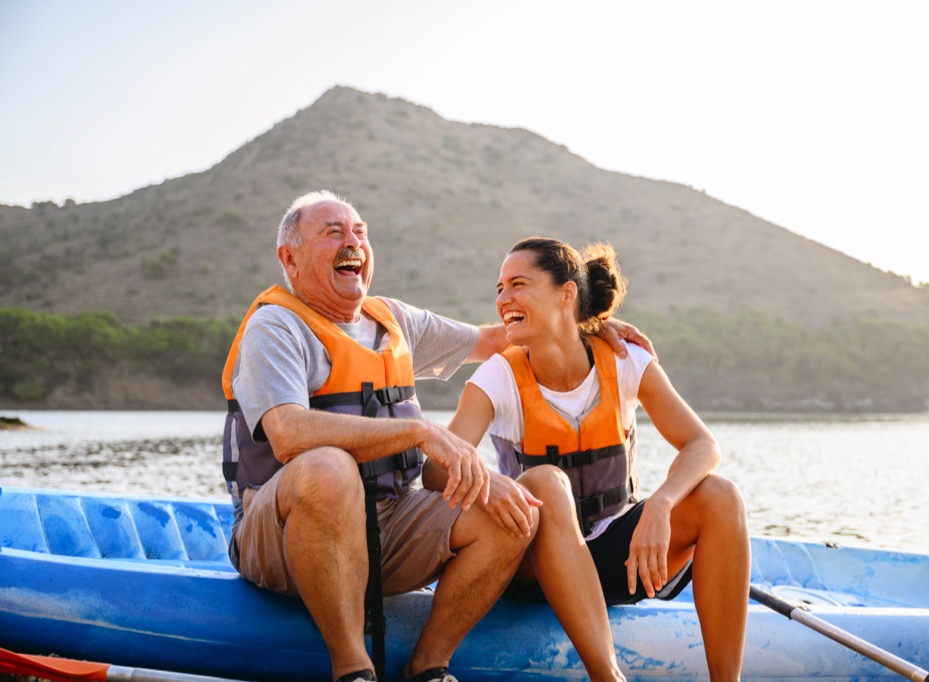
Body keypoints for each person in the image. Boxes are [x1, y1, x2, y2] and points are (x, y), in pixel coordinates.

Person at [220, 192, 650, 682]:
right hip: (280, 533)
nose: (352, 241)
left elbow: (499, 339)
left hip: (387, 524)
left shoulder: (394, 321)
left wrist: (578, 324)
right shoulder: (274, 327)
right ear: (289, 258)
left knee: (510, 512)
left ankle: (427, 666)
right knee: (328, 467)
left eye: (359, 231)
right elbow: (289, 435)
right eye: (333, 232)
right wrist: (419, 432)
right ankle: (352, 669)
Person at [447, 237, 751, 681]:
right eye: (499, 288)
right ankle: (607, 676)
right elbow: (438, 469)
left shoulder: (625, 358)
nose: (502, 299)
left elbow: (702, 445)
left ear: (566, 293)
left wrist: (661, 504)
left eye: (517, 284)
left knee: (721, 496)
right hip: (531, 568)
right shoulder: (498, 376)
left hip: (617, 560)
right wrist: (490, 485)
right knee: (547, 481)